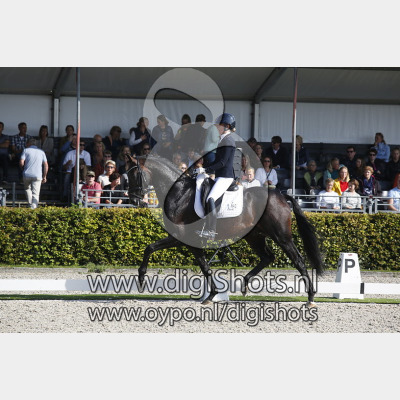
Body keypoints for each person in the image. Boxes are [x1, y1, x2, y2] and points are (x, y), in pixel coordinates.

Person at [194, 112, 237, 240]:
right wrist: (203, 167)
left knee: (210, 198)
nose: (217, 127)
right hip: (220, 175)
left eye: (219, 125)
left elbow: (222, 162)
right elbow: (217, 161)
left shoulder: (228, 140)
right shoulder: (222, 140)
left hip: (226, 177)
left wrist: (206, 170)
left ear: (227, 126)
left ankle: (211, 231)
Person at [19, 138, 48, 209]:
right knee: (36, 193)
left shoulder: (25, 150)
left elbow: (21, 162)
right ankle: (34, 208)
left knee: (27, 189)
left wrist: (23, 169)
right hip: (37, 175)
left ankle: (30, 204)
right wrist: (44, 176)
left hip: (27, 174)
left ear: (28, 143)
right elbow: (46, 165)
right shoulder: (41, 152)